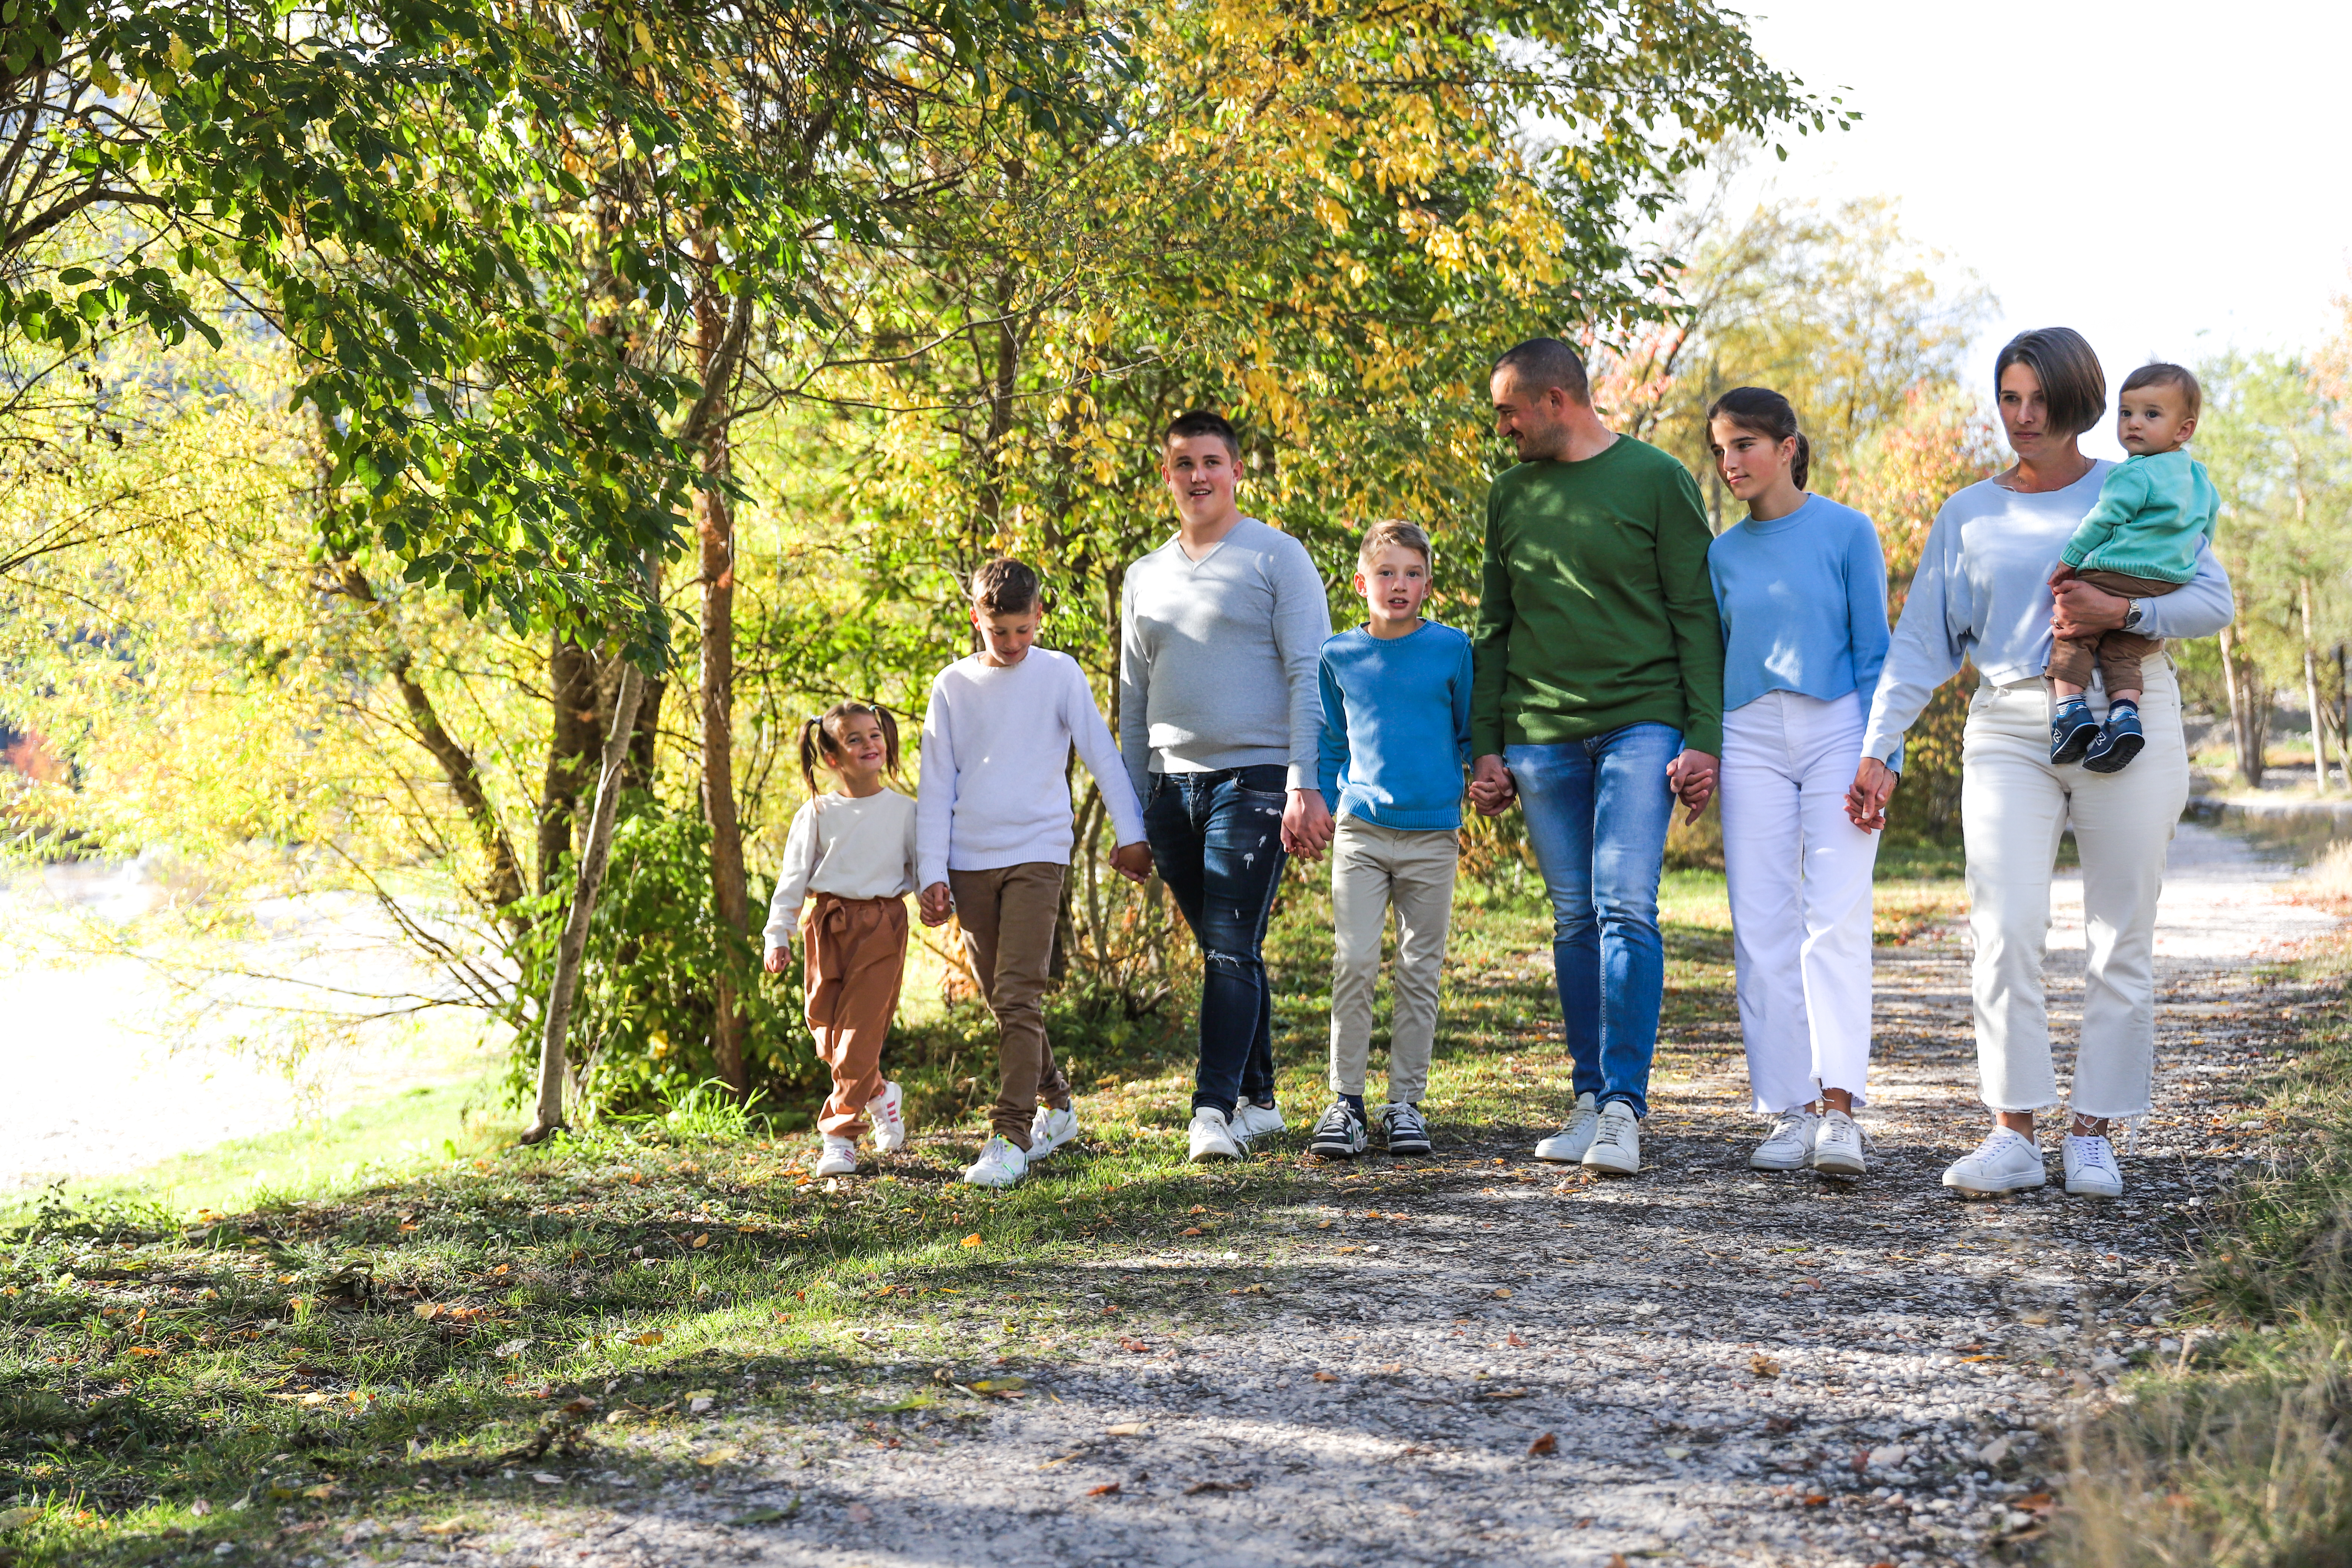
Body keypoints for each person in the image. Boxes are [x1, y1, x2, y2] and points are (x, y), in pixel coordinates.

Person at [1849, 328, 2234, 1199]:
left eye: (2039, 399)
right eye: (2009, 398)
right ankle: (2013, 1133)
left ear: (2079, 402)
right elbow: (1921, 645)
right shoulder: (1967, 513)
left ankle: (2093, 1132)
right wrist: (1880, 747)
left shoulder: (2141, 482)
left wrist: (2119, 611)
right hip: (2010, 723)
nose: (2022, 416)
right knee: (2003, 927)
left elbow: (2212, 599)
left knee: (2119, 932)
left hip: (2127, 712)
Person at [1468, 337, 1725, 1178]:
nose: (1502, 426)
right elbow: (1495, 628)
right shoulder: (1509, 494)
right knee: (1574, 916)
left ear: (1556, 401)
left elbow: (1695, 613)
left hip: (1640, 722)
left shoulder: (1657, 479)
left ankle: (1623, 1107)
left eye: (1509, 411)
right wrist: (1485, 746)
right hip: (1540, 734)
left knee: (1625, 905)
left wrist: (1704, 736)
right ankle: (1587, 1100)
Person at [1120, 409, 1334, 1162]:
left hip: (1257, 779)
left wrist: (1307, 782)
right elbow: (1134, 698)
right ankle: (1262, 1101)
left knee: (1230, 946)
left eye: (1212, 461)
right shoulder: (1143, 575)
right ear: (1167, 474)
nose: (1198, 476)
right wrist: (1132, 812)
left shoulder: (1277, 557)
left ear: (1237, 471)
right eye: (1184, 463)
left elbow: (1311, 673)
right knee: (1227, 947)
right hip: (1170, 789)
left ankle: (1211, 1112)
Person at [915, 559, 1153, 1189]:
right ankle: (1059, 1105)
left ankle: (1010, 1135)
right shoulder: (952, 686)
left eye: (1023, 630)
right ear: (976, 619)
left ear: (1039, 617)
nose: (1014, 643)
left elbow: (1101, 753)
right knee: (1004, 1001)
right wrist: (931, 872)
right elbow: (936, 784)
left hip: (1038, 853)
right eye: (1000, 632)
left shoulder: (1059, 674)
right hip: (969, 862)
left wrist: (1133, 836)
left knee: (1019, 995)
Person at [1703, 387, 1890, 1178]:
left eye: (1744, 444)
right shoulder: (1722, 554)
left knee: (1835, 920)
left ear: (1787, 448)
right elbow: (1712, 656)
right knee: (1761, 927)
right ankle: (1790, 1108)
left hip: (1838, 728)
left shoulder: (1848, 531)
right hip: (1748, 734)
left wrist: (1883, 755)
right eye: (1720, 449)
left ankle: (1840, 1111)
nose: (1729, 462)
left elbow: (1877, 651)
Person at [1303, 520, 1474, 1160]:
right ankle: (1346, 1103)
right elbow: (1331, 741)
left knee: (1419, 968)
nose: (1398, 585)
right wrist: (1322, 803)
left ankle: (1405, 1104)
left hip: (1433, 833)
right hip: (1361, 831)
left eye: (1411, 574)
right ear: (1361, 583)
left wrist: (1487, 777)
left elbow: (1469, 733)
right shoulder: (1338, 656)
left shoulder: (1452, 649)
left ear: (1427, 584)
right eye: (1385, 573)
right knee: (1353, 962)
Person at [763, 701, 919, 1179]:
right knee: (828, 1034)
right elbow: (793, 878)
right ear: (832, 757)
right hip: (826, 926)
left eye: (875, 734)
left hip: (881, 926)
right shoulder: (816, 813)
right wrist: (778, 933)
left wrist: (941, 899)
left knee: (858, 1035)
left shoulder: (906, 811)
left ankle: (840, 1135)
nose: (870, 744)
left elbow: (924, 869)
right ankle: (880, 1093)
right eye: (855, 739)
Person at [2044, 363, 2219, 773]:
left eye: (2151, 414)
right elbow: (2206, 530)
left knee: (2075, 630)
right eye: (2126, 413)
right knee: (2123, 650)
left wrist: (2070, 560)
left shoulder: (2135, 473)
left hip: (2116, 571)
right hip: (2166, 583)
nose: (2134, 423)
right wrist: (2182, 561)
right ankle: (2124, 715)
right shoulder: (2200, 479)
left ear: (2184, 429)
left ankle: (2070, 711)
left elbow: (2103, 518)